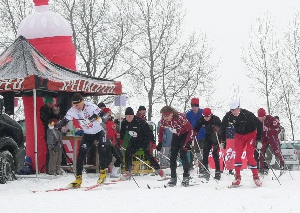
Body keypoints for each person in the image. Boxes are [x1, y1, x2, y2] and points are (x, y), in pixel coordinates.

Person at [55, 93, 111, 188]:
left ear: (82, 102)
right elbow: (64, 121)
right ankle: (78, 179)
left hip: (99, 132)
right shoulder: (72, 111)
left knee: (102, 151)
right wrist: (55, 125)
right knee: (80, 156)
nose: (76, 107)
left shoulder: (91, 106)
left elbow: (106, 116)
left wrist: (99, 119)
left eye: (78, 105)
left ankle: (102, 174)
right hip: (88, 134)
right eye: (74, 105)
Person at [220, 100, 263, 187]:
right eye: (232, 110)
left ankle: (256, 177)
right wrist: (223, 141)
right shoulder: (229, 116)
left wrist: (258, 139)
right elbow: (223, 128)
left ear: (239, 108)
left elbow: (259, 125)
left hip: (251, 134)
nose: (234, 112)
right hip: (239, 136)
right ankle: (237, 177)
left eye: (235, 109)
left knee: (249, 155)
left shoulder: (247, 114)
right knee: (238, 154)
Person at [119, 107, 164, 180]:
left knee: (148, 155)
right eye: (126, 116)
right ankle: (128, 172)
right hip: (135, 140)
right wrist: (120, 141)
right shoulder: (125, 122)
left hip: (144, 140)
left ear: (133, 116)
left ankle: (159, 170)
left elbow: (149, 132)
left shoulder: (139, 121)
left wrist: (152, 142)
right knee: (128, 153)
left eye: (130, 116)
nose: (128, 118)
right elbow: (122, 132)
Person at [157, 106, 194, 187]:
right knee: (172, 156)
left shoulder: (180, 117)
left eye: (167, 116)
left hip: (185, 135)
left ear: (172, 113)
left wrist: (189, 141)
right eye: (163, 116)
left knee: (183, 155)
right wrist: (160, 142)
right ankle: (173, 178)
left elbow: (191, 130)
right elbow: (161, 131)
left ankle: (186, 177)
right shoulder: (163, 120)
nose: (165, 118)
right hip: (176, 135)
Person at [194, 108, 222, 180]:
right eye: (205, 116)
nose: (206, 118)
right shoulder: (201, 119)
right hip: (208, 137)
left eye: (208, 116)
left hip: (216, 137)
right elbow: (197, 127)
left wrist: (217, 129)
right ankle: (206, 170)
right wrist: (194, 132)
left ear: (211, 115)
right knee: (205, 153)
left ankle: (218, 172)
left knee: (215, 154)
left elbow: (222, 128)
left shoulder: (216, 119)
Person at [257, 108, 285, 174]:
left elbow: (278, 129)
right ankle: (261, 168)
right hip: (264, 138)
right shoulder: (258, 121)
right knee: (261, 152)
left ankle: (282, 162)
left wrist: (270, 130)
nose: (261, 119)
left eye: (262, 117)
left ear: (265, 115)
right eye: (259, 117)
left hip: (272, 137)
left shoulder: (271, 119)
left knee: (276, 151)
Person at [40, 95, 61, 174]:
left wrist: (56, 113)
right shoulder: (43, 109)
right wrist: (52, 120)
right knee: (50, 150)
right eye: (50, 102)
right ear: (46, 103)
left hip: (56, 131)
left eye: (52, 102)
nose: (51, 104)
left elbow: (58, 119)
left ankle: (56, 168)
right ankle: (50, 169)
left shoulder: (53, 109)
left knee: (57, 149)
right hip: (48, 131)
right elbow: (45, 120)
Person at [185, 98, 206, 173]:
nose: (194, 108)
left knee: (203, 151)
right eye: (192, 106)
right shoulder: (189, 114)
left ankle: (203, 166)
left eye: (195, 106)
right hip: (194, 136)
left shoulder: (203, 112)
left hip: (203, 135)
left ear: (198, 106)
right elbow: (186, 124)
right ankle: (191, 165)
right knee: (195, 151)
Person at [103, 108, 123, 178]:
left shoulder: (112, 122)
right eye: (108, 112)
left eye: (110, 112)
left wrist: (117, 135)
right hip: (106, 142)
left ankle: (114, 172)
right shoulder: (103, 122)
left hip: (113, 143)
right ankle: (103, 173)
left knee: (120, 157)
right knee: (108, 159)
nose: (110, 113)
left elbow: (114, 131)